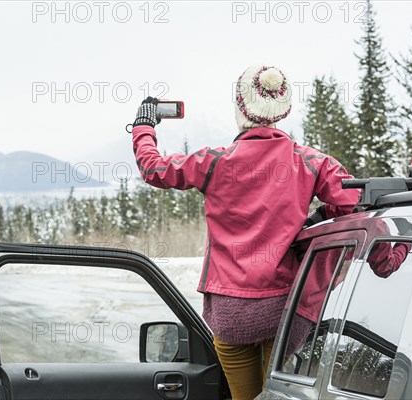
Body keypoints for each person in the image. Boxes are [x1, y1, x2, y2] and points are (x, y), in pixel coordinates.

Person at [130, 65, 361, 400]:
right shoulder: (313, 163)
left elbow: (154, 169)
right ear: (284, 109)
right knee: (279, 394)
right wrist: (312, 221)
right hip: (287, 311)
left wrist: (143, 125)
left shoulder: (213, 162)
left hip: (232, 315)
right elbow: (352, 205)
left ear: (240, 107)